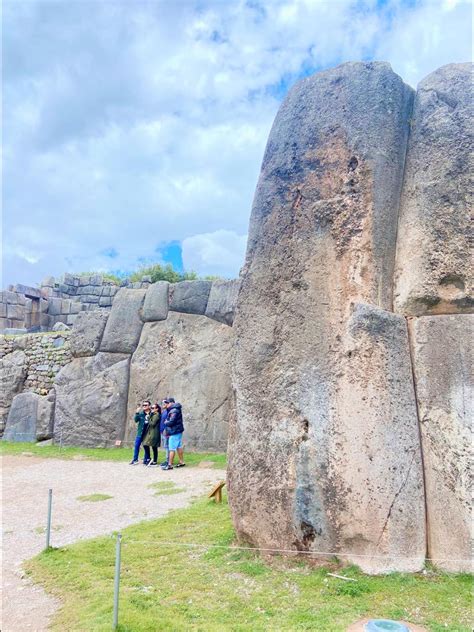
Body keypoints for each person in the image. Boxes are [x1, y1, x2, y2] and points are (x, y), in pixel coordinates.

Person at [162, 399, 185, 470]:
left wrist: (166, 422)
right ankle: (181, 462)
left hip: (174, 431)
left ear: (171, 403)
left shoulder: (174, 410)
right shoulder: (175, 409)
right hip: (177, 430)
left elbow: (171, 422)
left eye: (167, 403)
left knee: (171, 448)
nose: (166, 404)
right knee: (179, 447)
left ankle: (169, 465)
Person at [129, 400, 152, 465]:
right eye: (143, 405)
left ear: (149, 406)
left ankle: (147, 459)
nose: (144, 406)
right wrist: (137, 412)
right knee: (136, 446)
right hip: (140, 433)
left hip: (147, 434)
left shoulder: (151, 414)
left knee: (146, 447)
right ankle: (135, 459)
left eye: (146, 405)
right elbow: (136, 420)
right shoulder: (141, 413)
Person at [160, 399, 171, 467]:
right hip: (162, 431)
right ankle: (167, 460)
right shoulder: (164, 411)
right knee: (165, 446)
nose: (163, 404)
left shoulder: (169, 411)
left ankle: (168, 461)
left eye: (165, 403)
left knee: (167, 446)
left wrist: (166, 431)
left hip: (166, 431)